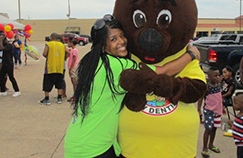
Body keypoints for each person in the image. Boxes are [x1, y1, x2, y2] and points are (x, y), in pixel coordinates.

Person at [64, 14, 201, 158]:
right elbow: (162, 72)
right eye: (113, 39)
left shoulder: (91, 62)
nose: (121, 41)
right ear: (103, 45)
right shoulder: (118, 66)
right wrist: (190, 54)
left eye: (122, 36)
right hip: (93, 149)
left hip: (76, 142)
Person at [198, 66, 222, 158]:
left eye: (218, 75)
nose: (218, 77)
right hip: (209, 111)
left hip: (218, 111)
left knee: (214, 128)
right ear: (209, 77)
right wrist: (199, 109)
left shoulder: (218, 85)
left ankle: (211, 144)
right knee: (208, 129)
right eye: (215, 76)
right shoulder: (207, 87)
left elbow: (219, 97)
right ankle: (204, 148)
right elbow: (201, 98)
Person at [39, 32, 68, 105]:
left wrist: (49, 57)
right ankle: (59, 98)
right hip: (60, 67)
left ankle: (47, 98)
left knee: (47, 83)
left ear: (51, 38)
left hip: (50, 67)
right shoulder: (62, 45)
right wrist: (64, 58)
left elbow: (45, 53)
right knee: (59, 83)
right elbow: (68, 52)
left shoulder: (49, 44)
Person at [0, 31, 21, 97]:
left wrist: (1, 40)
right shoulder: (2, 44)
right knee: (0, 77)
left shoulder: (9, 45)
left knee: (11, 77)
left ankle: (17, 91)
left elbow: (2, 48)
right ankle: (3, 90)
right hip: (4, 63)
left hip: (9, 63)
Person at [66, 38, 78, 103]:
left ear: (71, 43)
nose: (68, 44)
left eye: (68, 42)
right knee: (73, 81)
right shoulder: (72, 50)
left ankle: (76, 96)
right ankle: (74, 95)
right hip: (71, 67)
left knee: (74, 82)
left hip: (73, 67)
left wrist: (70, 68)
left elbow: (74, 59)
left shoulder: (74, 51)